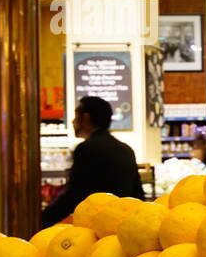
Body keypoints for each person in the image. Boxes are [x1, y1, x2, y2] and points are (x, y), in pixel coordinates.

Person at [41, 96, 144, 225]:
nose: (73, 122)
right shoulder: (126, 149)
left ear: (85, 118)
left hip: (98, 223)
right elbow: (138, 193)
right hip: (123, 221)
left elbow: (74, 194)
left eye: (75, 116)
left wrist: (43, 219)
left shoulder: (86, 149)